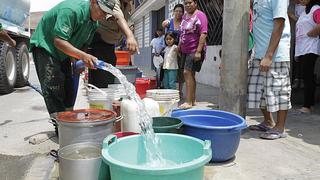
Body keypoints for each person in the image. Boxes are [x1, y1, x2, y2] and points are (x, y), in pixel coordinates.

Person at [30, 0, 116, 118]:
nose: (103, 15)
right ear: (93, 2)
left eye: (106, 13)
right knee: (54, 85)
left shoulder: (94, 23)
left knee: (68, 85)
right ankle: (60, 126)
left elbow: (84, 44)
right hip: (46, 46)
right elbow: (58, 41)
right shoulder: (71, 11)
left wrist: (79, 62)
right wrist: (83, 56)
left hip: (64, 51)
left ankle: (69, 119)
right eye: (102, 10)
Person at [248, 0, 292, 140]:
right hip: (259, 52)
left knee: (280, 90)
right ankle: (268, 121)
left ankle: (280, 128)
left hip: (275, 54)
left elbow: (279, 25)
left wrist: (269, 55)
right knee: (259, 90)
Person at [89, 0, 139, 88]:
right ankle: (99, 99)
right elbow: (118, 17)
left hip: (110, 45)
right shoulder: (112, 1)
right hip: (98, 41)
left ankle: (105, 98)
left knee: (109, 77)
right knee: (100, 79)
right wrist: (129, 36)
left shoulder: (128, 5)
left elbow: (126, 22)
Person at [178, 0, 208, 109]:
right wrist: (179, 46)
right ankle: (193, 99)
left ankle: (188, 101)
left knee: (187, 73)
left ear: (195, 3)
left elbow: (203, 34)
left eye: (190, 2)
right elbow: (182, 33)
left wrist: (199, 51)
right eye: (185, 3)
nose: (187, 5)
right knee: (191, 75)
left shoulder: (200, 15)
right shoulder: (185, 16)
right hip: (184, 50)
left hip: (194, 50)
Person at [295, 0, 320, 113]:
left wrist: (311, 33)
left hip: (310, 47)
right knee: (306, 76)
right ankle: (310, 104)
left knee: (308, 76)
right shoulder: (304, 11)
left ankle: (307, 105)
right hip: (302, 48)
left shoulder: (316, 9)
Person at [162, 3, 185, 97]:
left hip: (180, 49)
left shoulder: (184, 22)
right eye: (176, 11)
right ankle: (170, 91)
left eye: (180, 11)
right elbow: (163, 24)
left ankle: (179, 91)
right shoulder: (169, 22)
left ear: (183, 13)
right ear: (173, 12)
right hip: (169, 49)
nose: (178, 13)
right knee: (169, 69)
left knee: (180, 70)